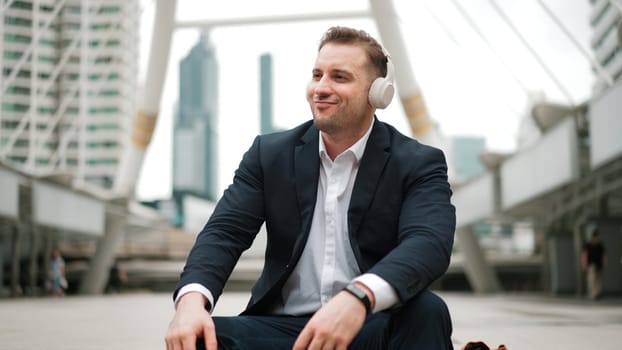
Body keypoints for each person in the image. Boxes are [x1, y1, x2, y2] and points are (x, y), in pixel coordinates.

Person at [165, 26, 456, 350]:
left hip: (370, 324)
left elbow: (429, 243)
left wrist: (359, 296)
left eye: (339, 77)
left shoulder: (418, 163)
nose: (321, 87)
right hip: (285, 330)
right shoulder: (269, 154)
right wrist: (191, 301)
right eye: (317, 75)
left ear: (378, 93)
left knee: (428, 311)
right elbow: (224, 233)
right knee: (199, 336)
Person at [581, 229, 606, 300]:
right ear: (593, 237)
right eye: (597, 237)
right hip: (591, 265)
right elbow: (584, 255)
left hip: (599, 265)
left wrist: (604, 263)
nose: (597, 238)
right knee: (592, 280)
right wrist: (584, 264)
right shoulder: (588, 245)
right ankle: (594, 294)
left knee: (598, 280)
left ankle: (598, 293)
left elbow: (604, 255)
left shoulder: (600, 245)